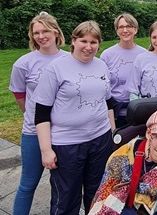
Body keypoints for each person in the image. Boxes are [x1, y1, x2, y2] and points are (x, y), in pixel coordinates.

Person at [33, 21, 116, 214]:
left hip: (100, 139)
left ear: (99, 44)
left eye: (93, 42)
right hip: (67, 144)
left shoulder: (102, 65)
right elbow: (42, 113)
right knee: (67, 197)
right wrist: (46, 150)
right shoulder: (56, 68)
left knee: (98, 193)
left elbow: (108, 102)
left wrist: (113, 134)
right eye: (83, 41)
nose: (88, 47)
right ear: (74, 41)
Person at [8, 11, 67, 215]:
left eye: (45, 31)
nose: (41, 36)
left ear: (56, 32)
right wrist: (33, 115)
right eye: (36, 32)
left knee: (62, 186)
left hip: (64, 133)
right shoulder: (23, 63)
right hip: (33, 132)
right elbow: (19, 95)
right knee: (28, 184)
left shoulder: (69, 59)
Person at [100, 13, 147, 128]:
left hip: (139, 111)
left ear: (135, 30)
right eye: (121, 27)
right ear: (117, 31)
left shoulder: (145, 54)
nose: (125, 30)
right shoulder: (107, 55)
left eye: (129, 26)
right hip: (115, 113)